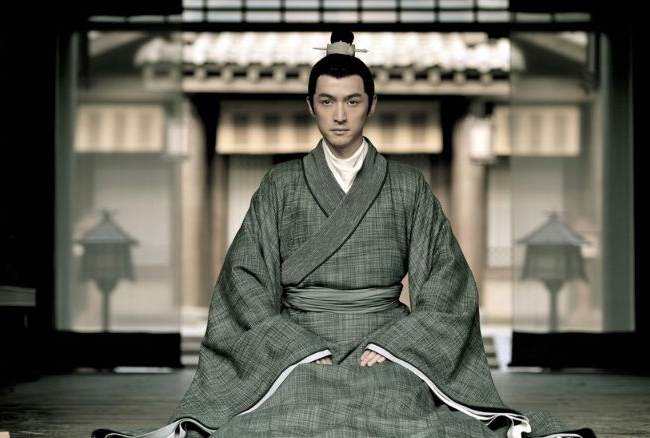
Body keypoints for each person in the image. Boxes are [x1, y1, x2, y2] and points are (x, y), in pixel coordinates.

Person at [93, 31, 595, 438]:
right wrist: (291, 345)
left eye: (352, 101)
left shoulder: (406, 185)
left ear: (371, 104)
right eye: (327, 101)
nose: (339, 115)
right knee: (290, 401)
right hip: (298, 339)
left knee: (396, 397)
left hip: (385, 338)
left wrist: (400, 344)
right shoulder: (281, 184)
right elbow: (243, 281)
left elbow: (447, 282)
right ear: (310, 105)